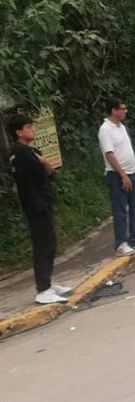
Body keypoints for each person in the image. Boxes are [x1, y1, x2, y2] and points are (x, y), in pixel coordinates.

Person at [8, 114, 72, 304]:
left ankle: (48, 282)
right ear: (19, 132)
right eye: (28, 127)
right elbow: (44, 171)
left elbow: (49, 173)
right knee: (43, 245)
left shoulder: (29, 150)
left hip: (42, 202)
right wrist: (44, 163)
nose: (33, 129)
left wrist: (45, 164)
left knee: (49, 243)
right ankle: (43, 289)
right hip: (35, 205)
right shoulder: (21, 153)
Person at [98, 98, 135, 256]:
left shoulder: (121, 127)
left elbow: (125, 149)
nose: (125, 111)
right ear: (113, 110)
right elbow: (110, 154)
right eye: (122, 108)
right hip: (117, 176)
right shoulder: (105, 129)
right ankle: (121, 243)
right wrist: (123, 175)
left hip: (132, 172)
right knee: (121, 210)